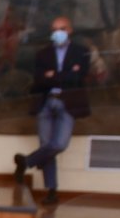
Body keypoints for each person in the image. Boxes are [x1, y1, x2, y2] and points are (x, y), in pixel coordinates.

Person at [14, 15, 90, 204]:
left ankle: (26, 161)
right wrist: (65, 74)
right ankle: (51, 191)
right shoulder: (43, 54)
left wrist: (54, 76)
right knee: (46, 146)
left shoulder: (81, 52)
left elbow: (78, 78)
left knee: (58, 145)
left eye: (62, 29)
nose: (58, 33)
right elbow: (40, 80)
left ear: (70, 30)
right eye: (55, 29)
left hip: (68, 104)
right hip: (46, 103)